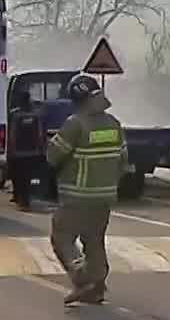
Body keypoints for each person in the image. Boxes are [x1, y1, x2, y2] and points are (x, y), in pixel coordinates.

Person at [43, 74, 126, 307]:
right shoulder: (114, 124)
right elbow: (123, 160)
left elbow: (53, 157)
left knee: (62, 237)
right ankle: (97, 287)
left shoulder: (75, 124)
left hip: (77, 196)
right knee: (94, 240)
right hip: (105, 196)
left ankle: (81, 278)